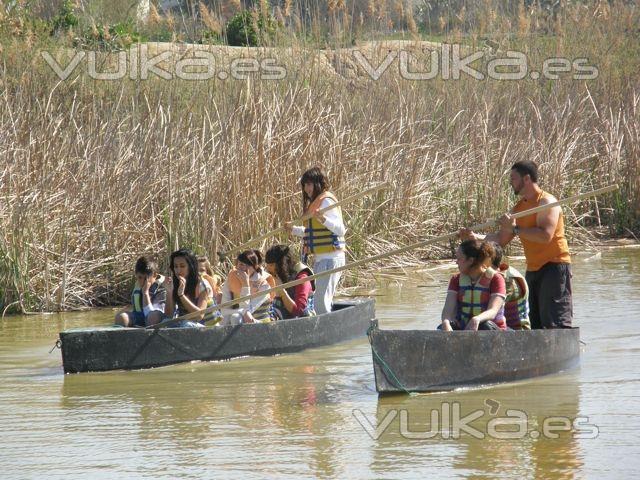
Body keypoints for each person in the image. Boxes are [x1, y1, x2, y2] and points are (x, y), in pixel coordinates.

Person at [462, 161, 572, 329]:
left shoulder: (546, 202)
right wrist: (474, 237)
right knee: (535, 323)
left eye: (513, 178)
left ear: (526, 178)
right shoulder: (519, 208)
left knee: (554, 323)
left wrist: (514, 228)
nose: (510, 183)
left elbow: (545, 236)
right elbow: (501, 239)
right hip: (533, 269)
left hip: (555, 266)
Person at [287, 167, 346, 315]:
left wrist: (323, 219)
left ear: (318, 183)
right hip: (322, 260)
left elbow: (340, 230)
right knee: (321, 300)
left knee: (320, 302)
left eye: (309, 184)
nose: (306, 188)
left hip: (331, 259)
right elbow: (312, 232)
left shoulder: (326, 201)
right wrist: (292, 229)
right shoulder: (315, 203)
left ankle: (327, 333)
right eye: (305, 185)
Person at [440, 240, 507, 331]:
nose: (456, 262)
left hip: (491, 329)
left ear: (471, 261)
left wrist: (477, 319)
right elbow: (448, 309)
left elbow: (493, 311)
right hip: (464, 327)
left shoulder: (496, 279)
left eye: (459, 258)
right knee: (442, 327)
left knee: (485, 326)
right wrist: (445, 322)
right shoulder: (456, 279)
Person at [220, 249, 275, 325]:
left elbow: (248, 311)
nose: (243, 269)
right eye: (241, 265)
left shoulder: (264, 284)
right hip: (241, 318)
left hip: (259, 323)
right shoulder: (231, 278)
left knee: (236, 317)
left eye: (247, 265)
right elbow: (224, 310)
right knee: (226, 319)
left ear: (255, 267)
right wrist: (242, 311)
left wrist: (245, 285)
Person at [164, 248, 216, 327]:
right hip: (185, 324)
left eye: (182, 266)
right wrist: (169, 292)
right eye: (176, 266)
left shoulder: (202, 284)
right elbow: (169, 315)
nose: (178, 270)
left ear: (190, 266)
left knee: (186, 324)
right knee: (165, 322)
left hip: (207, 327)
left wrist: (181, 295)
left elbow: (199, 316)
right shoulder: (175, 283)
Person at [265, 244, 316, 320]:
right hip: (280, 319)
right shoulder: (274, 275)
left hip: (302, 322)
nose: (268, 269)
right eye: (267, 265)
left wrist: (282, 292)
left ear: (282, 264)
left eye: (271, 265)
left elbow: (298, 311)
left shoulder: (302, 277)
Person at [115, 256, 166, 327]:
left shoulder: (162, 288)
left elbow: (152, 315)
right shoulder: (138, 286)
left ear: (154, 275)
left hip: (157, 318)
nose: (142, 281)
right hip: (140, 317)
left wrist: (145, 293)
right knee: (121, 317)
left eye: (145, 278)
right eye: (140, 277)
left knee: (153, 317)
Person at [490, 243, 531, 330]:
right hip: (498, 332)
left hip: (516, 335)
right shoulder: (488, 277)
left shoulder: (508, 281)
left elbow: (491, 313)